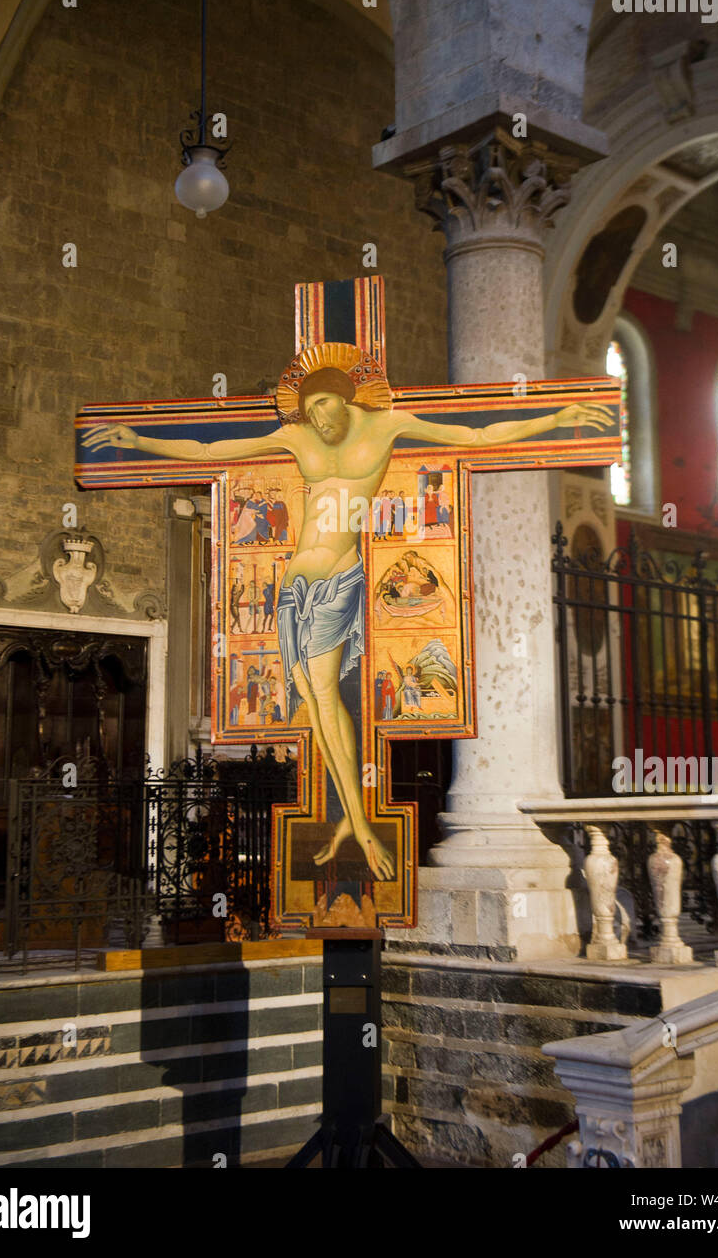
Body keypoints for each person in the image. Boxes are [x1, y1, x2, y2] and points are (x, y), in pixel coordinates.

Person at [84, 351, 612, 880]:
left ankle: (357, 823)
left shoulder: (389, 425)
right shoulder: (297, 437)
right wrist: (138, 440)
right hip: (295, 585)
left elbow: (473, 436)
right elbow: (209, 448)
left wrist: (555, 419)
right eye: (309, 408)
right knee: (309, 703)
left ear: (346, 398)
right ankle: (344, 819)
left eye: (324, 405)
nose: (317, 418)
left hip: (339, 579)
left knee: (327, 692)